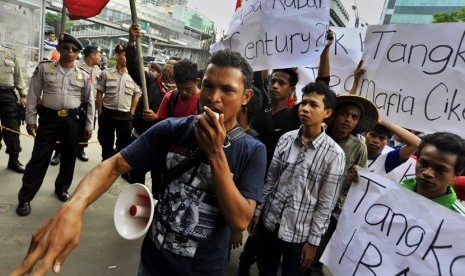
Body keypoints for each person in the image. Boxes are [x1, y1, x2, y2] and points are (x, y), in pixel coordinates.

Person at [11, 49, 267, 276]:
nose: (213, 97)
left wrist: (216, 155)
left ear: (245, 97)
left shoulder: (252, 151)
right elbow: (114, 165)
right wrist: (74, 207)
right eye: (209, 86)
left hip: (204, 269)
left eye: (228, 90)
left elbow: (240, 220)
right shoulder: (172, 129)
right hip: (153, 263)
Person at [251, 81, 345, 276]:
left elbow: (326, 204)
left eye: (313, 105)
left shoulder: (334, 154)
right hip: (270, 222)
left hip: (299, 234)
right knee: (264, 270)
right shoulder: (286, 139)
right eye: (303, 103)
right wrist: (258, 212)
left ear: (327, 113)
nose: (305, 109)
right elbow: (271, 179)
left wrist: (313, 242)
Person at [16, 33, 95, 216]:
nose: (70, 51)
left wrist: (89, 125)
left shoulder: (83, 75)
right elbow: (32, 94)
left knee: (68, 158)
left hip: (72, 121)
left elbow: (89, 101)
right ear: (59, 49)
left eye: (74, 50)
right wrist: (30, 119)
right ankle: (25, 198)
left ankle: (62, 189)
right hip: (49, 120)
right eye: (66, 48)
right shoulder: (45, 69)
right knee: (39, 158)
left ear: (78, 54)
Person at [50, 45, 102, 165]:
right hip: (74, 104)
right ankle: (58, 152)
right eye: (99, 55)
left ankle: (80, 150)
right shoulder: (75, 66)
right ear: (92, 55)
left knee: (86, 128)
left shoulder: (99, 71)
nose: (100, 58)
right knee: (64, 128)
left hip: (89, 104)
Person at [96, 44, 141, 161]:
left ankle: (116, 166)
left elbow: (137, 94)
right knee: (106, 143)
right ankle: (105, 164)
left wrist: (132, 112)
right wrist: (100, 113)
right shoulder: (106, 73)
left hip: (125, 116)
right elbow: (99, 93)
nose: (127, 59)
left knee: (123, 145)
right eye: (125, 55)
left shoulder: (133, 76)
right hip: (107, 114)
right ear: (117, 56)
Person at [401, 132, 465, 214]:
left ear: (456, 175)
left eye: (440, 169)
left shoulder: (460, 221)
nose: (427, 173)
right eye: (423, 163)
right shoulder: (389, 193)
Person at [0, 44, 27, 173]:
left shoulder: (9, 52)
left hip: (7, 95)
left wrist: (22, 94)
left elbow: (17, 75)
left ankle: (13, 161)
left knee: (12, 129)